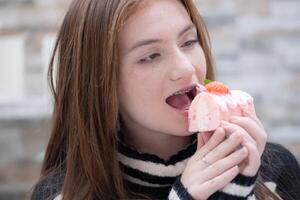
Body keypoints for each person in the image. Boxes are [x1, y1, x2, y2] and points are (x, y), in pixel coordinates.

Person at [30, 0, 300, 199]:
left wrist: (238, 186)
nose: (186, 68)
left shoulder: (274, 171)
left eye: (188, 42)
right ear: (101, 84)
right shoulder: (63, 193)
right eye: (151, 56)